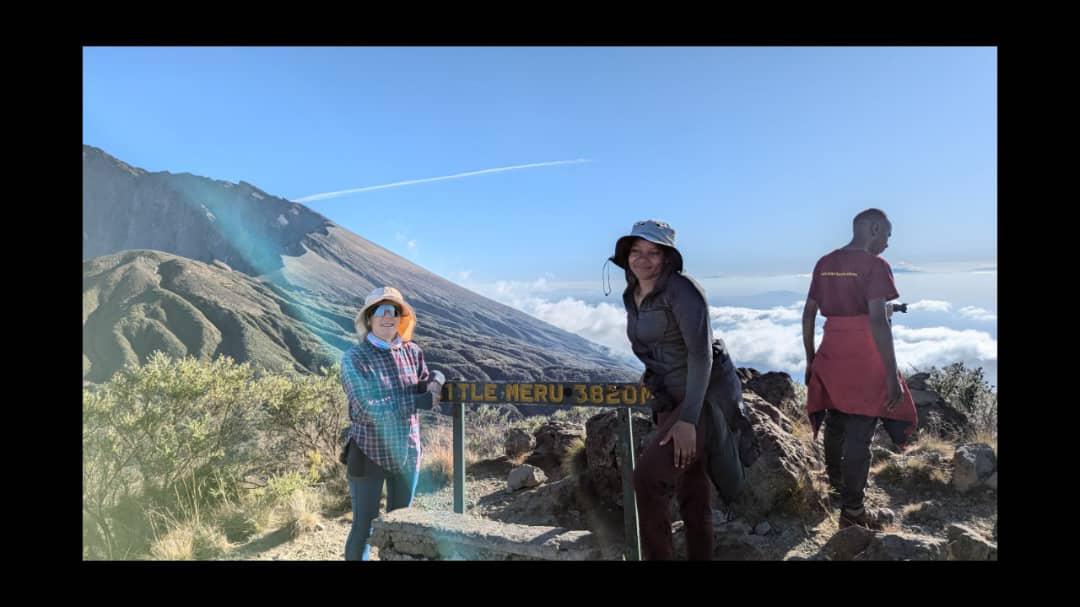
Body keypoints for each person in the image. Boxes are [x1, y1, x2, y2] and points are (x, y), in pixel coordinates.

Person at [608, 219, 754, 561]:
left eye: (653, 252)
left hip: (698, 399)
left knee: (646, 480)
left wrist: (688, 420)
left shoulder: (682, 291)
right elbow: (654, 349)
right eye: (636, 251)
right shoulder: (633, 295)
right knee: (692, 491)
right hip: (668, 400)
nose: (643, 259)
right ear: (626, 255)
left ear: (667, 257)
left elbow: (701, 354)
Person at [802, 209, 918, 530]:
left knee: (836, 420)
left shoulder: (825, 262)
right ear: (874, 228)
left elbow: (810, 313)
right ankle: (853, 512)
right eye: (887, 236)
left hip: (831, 352)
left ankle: (837, 487)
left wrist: (811, 359)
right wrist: (892, 374)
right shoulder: (876, 266)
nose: (887, 244)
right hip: (864, 357)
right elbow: (876, 320)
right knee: (860, 431)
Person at [340, 286, 445, 560]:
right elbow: (365, 409)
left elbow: (424, 383)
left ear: (401, 317)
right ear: (369, 318)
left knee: (402, 526)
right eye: (381, 311)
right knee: (364, 527)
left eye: (395, 311)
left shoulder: (412, 352)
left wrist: (437, 377)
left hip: (407, 452)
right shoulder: (355, 358)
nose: (389, 317)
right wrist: (417, 403)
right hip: (368, 451)